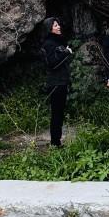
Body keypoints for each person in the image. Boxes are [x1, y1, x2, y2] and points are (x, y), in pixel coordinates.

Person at [39, 16, 73, 147]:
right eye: (55, 25)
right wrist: (66, 52)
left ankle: (56, 141)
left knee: (59, 113)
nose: (58, 26)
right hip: (55, 84)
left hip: (61, 82)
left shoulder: (57, 41)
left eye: (58, 24)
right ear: (49, 29)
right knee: (57, 114)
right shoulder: (49, 43)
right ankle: (55, 143)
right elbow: (52, 64)